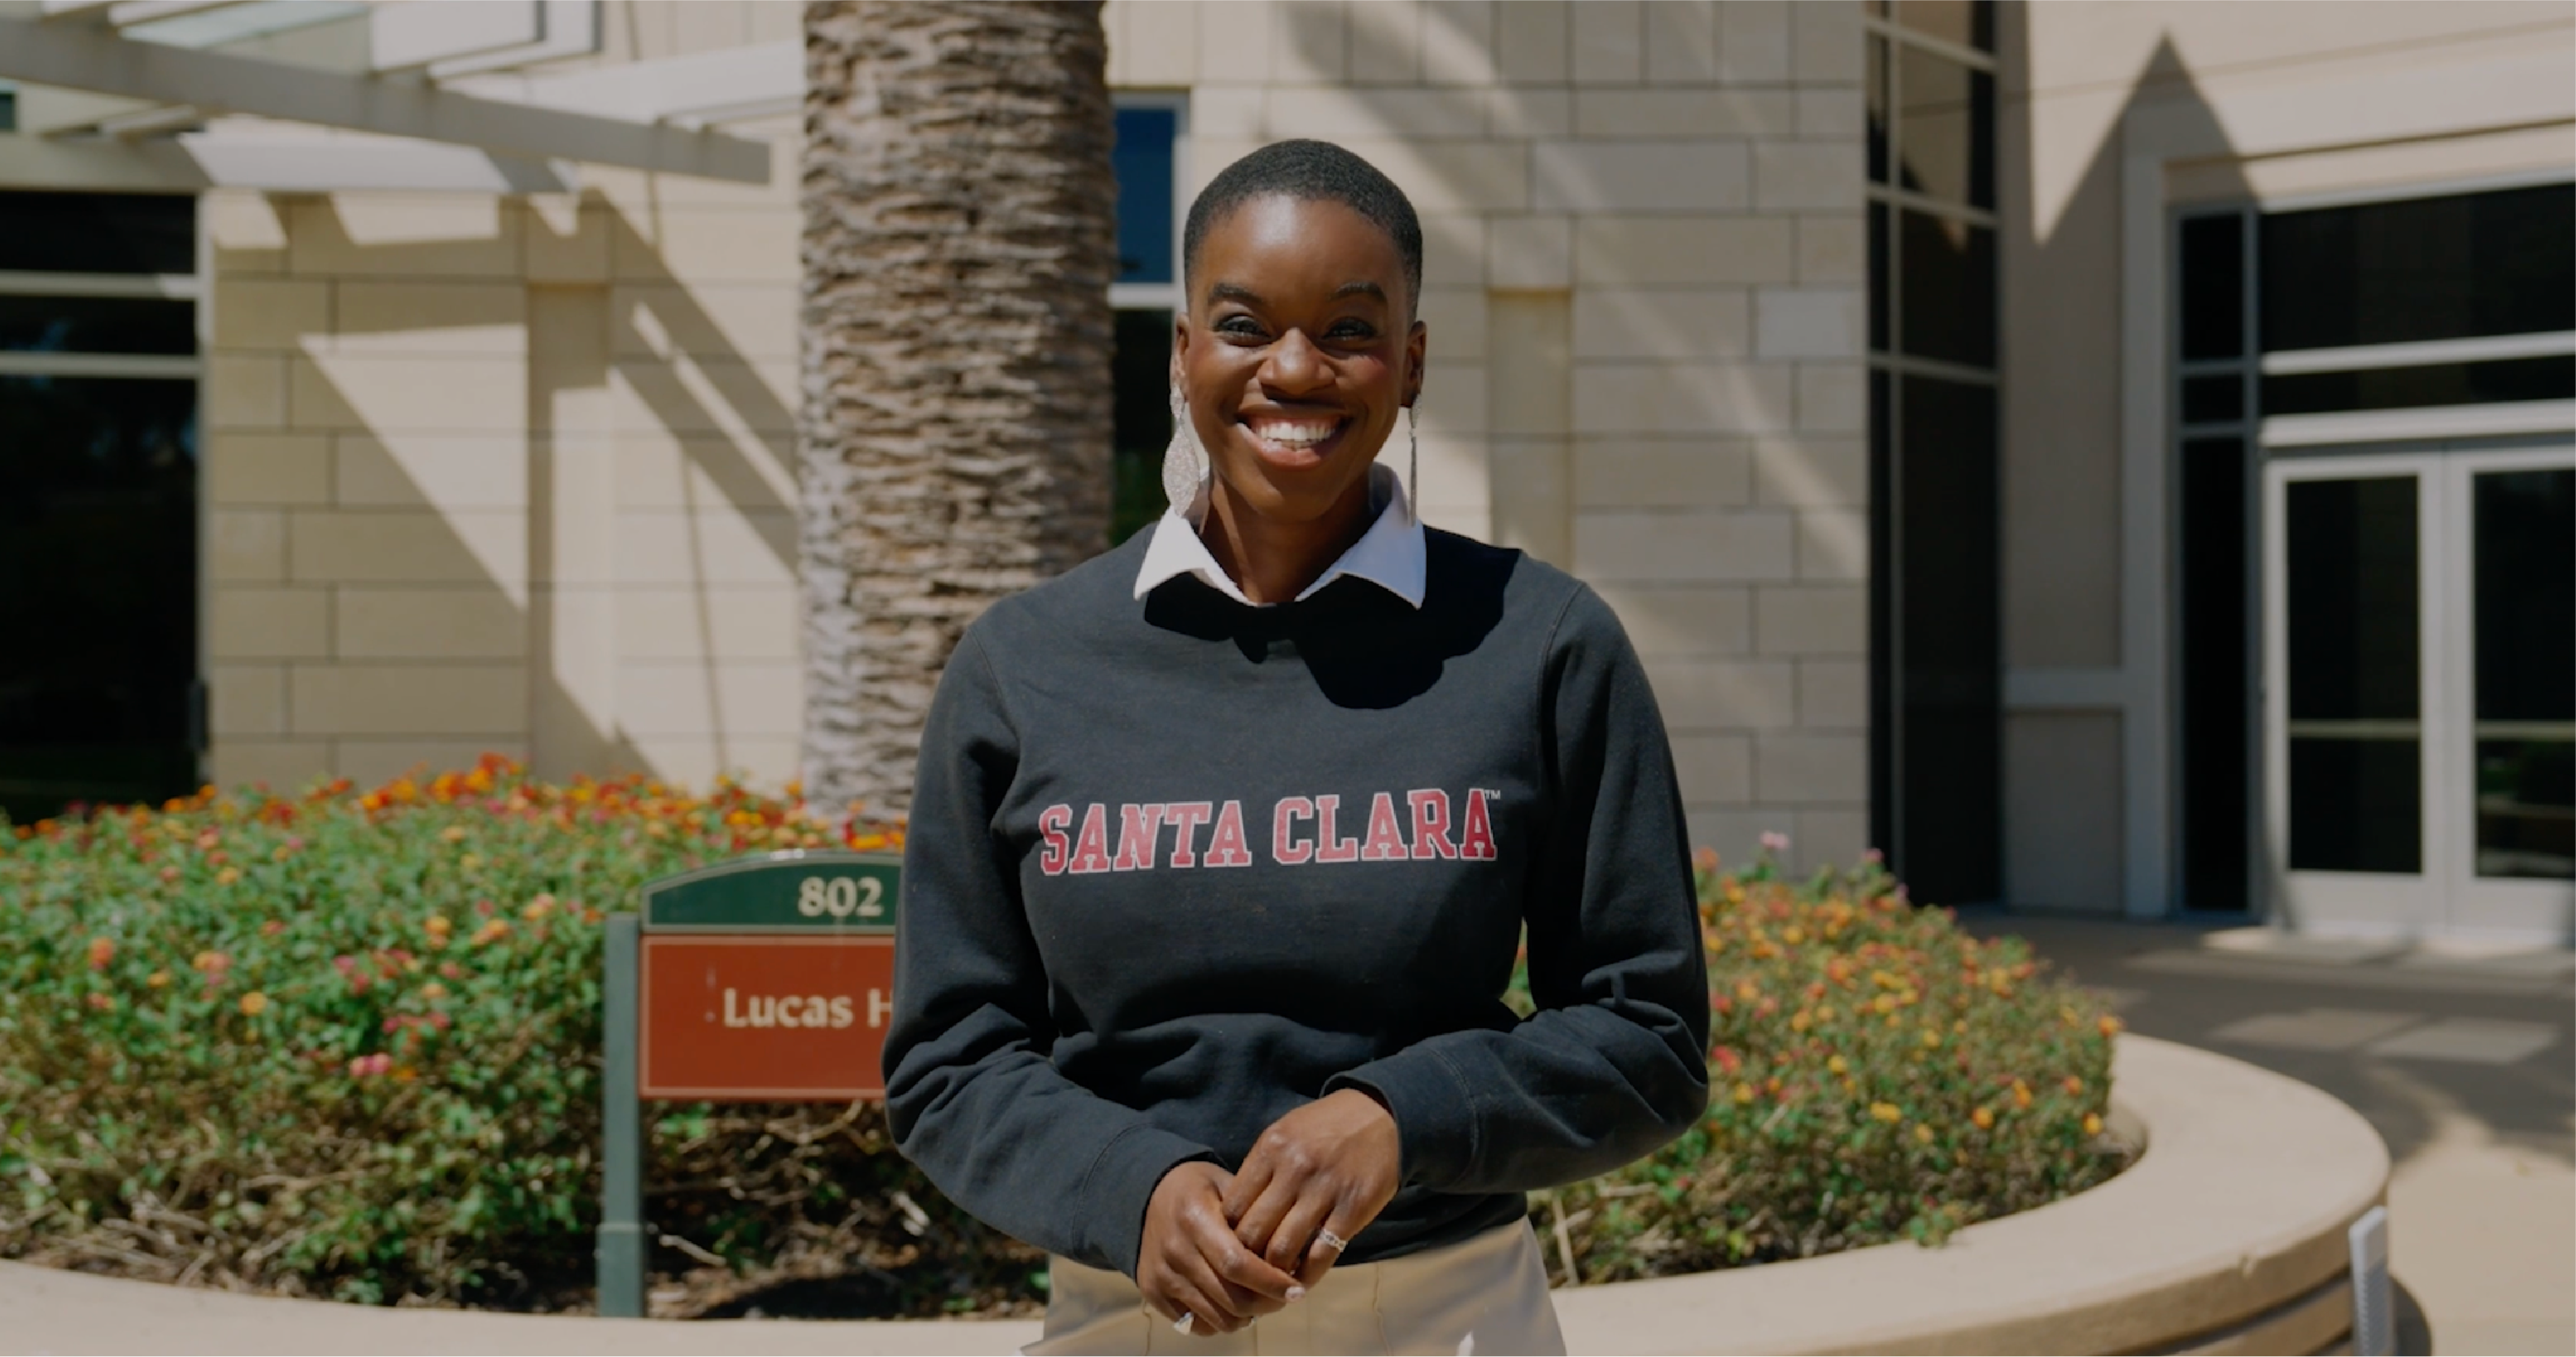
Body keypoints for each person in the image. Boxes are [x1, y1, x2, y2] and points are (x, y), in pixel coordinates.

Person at [883, 138, 1710, 1356]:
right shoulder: (1025, 664)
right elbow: (947, 1062)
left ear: (1411, 361)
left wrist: (1397, 1119)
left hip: (1445, 1315)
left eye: (1349, 330)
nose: (1293, 369)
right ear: (1181, 354)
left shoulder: (1540, 645)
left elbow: (1650, 1036)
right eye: (1242, 324)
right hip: (1126, 1314)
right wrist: (1135, 1188)